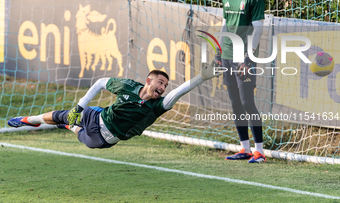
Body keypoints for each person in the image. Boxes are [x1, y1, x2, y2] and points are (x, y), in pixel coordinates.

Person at [7, 61, 220, 149]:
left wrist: (203, 76)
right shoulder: (128, 86)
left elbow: (180, 91)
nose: (163, 88)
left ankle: (68, 125)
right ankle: (27, 120)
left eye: (165, 86)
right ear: (148, 81)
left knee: (77, 131)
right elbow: (100, 82)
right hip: (96, 117)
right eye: (160, 83)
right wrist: (80, 106)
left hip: (103, 139)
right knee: (65, 115)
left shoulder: (158, 105)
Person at [215, 0, 266, 163]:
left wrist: (248, 56)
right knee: (235, 103)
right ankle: (244, 148)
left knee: (247, 102)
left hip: (244, 57)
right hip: (227, 55)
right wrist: (218, 52)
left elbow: (259, 27)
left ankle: (260, 151)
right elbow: (226, 25)